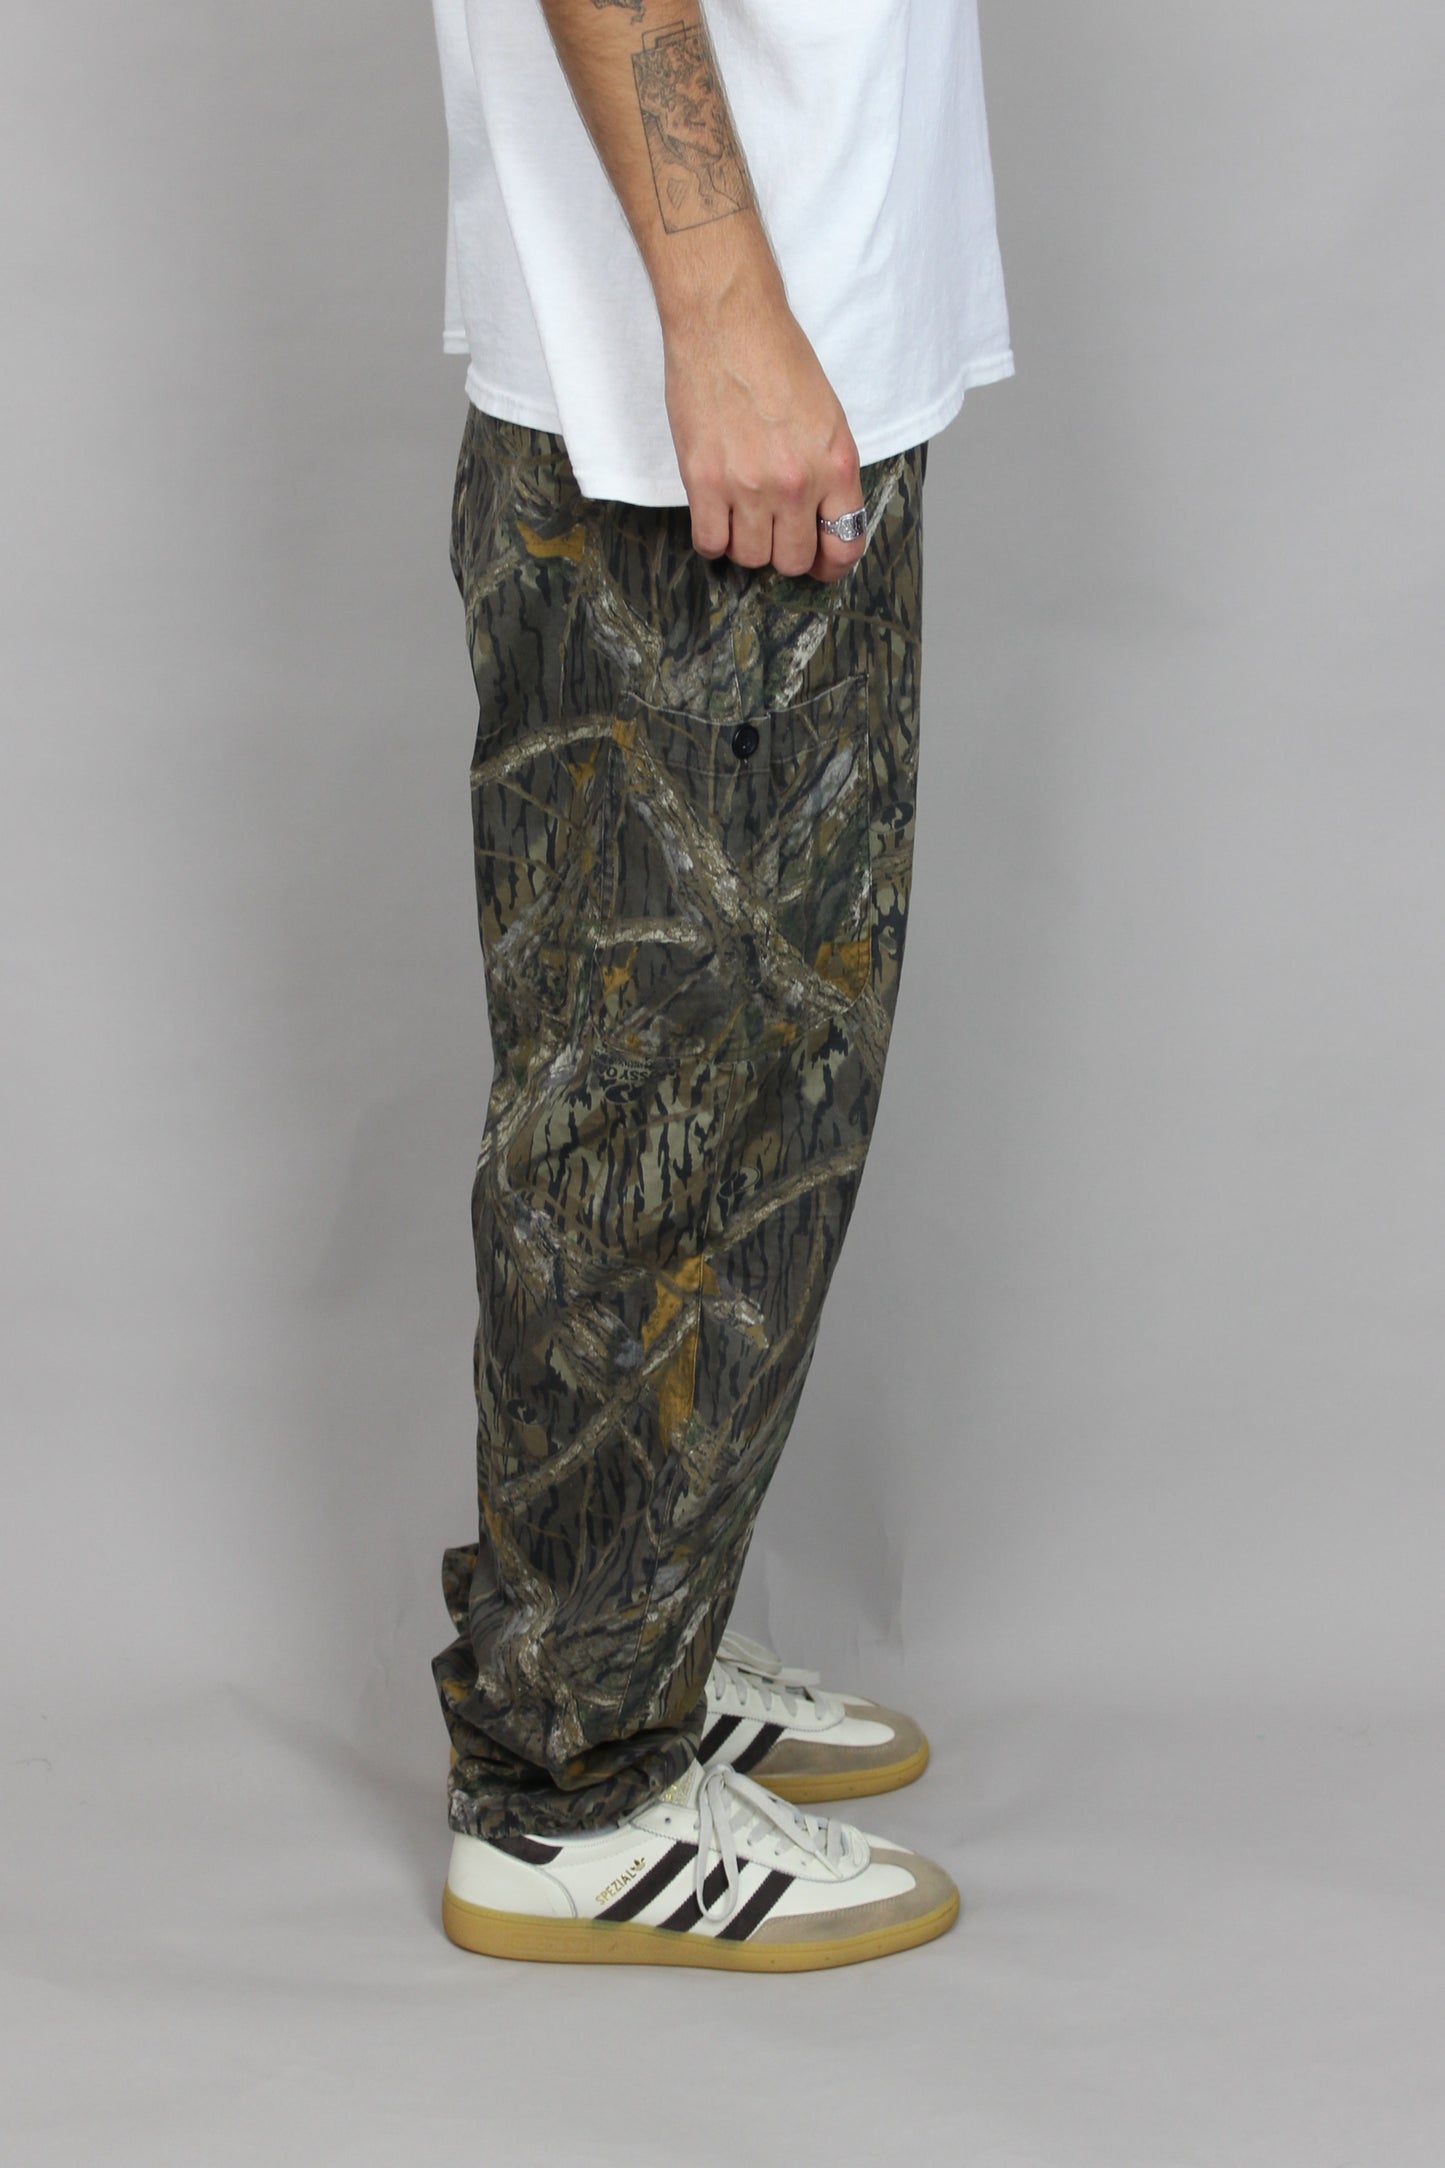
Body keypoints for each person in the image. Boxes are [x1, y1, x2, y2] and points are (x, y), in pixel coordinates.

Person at [426, 0, 1013, 1970]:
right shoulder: (717, 333)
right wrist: (723, 308)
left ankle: (628, 1637)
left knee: (763, 1083)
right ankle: (570, 1787)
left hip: (791, 318)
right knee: (657, 1106)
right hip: (692, 380)